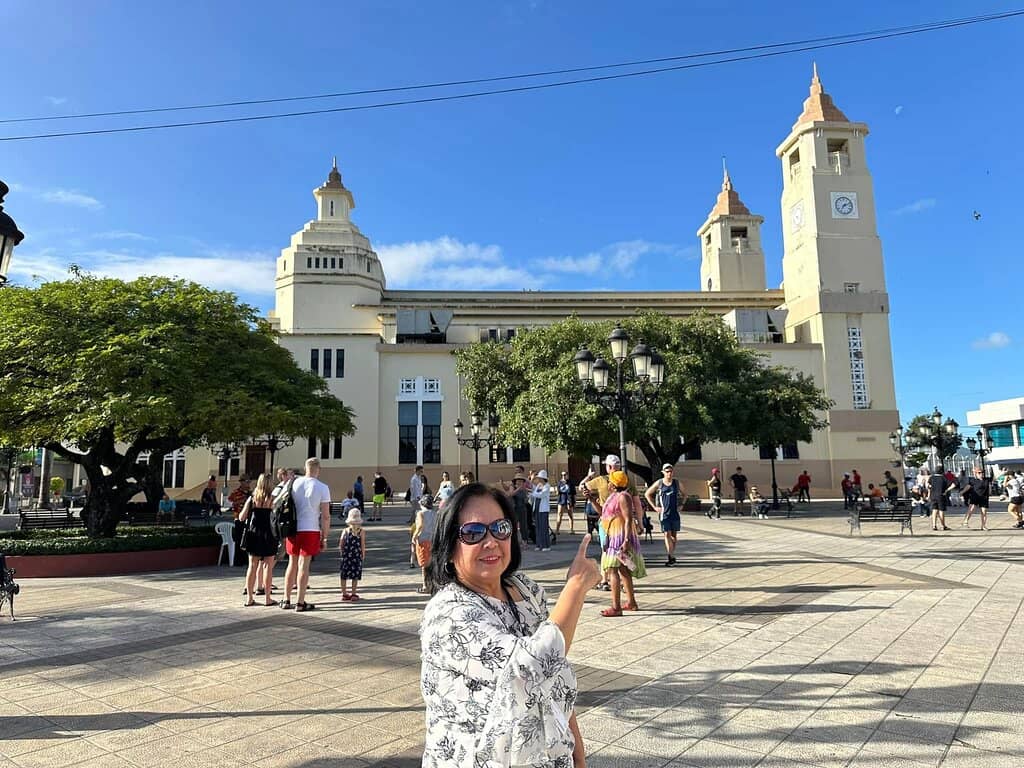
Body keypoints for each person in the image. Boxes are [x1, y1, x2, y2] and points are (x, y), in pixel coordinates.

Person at [420, 483, 599, 767]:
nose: (490, 541)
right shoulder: (448, 613)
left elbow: (554, 676)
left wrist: (575, 749)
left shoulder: (525, 589)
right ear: (450, 544)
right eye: (473, 533)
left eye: (499, 528)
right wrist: (575, 587)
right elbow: (528, 668)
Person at [282, 457, 331, 611]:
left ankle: (286, 599)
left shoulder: (294, 483)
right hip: (311, 529)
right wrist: (325, 537)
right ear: (319, 469)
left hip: (293, 528)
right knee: (304, 565)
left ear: (305, 468)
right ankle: (300, 602)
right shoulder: (322, 487)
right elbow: (325, 515)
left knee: (292, 563)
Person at [598, 470, 644, 616]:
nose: (608, 483)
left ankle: (616, 607)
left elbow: (628, 518)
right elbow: (603, 513)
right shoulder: (614, 496)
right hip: (612, 535)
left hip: (619, 537)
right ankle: (631, 603)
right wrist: (592, 500)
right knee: (624, 570)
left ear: (614, 484)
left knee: (613, 570)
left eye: (610, 481)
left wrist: (626, 540)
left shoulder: (623, 497)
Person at [239, 473, 279, 607]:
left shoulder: (253, 498)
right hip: (269, 534)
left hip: (254, 534)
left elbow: (241, 517)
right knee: (268, 566)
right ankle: (268, 598)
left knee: (252, 566)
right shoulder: (273, 499)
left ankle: (250, 598)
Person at [645, 463, 681, 566]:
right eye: (667, 471)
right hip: (664, 514)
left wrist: (682, 504)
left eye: (671, 471)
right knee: (667, 534)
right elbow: (647, 494)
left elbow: (685, 493)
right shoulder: (659, 483)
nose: (669, 473)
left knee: (674, 536)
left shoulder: (676, 483)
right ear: (663, 472)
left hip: (674, 513)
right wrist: (655, 507)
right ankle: (670, 556)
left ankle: (672, 554)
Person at [338, 508, 366, 602]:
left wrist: (342, 552)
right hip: (356, 556)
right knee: (355, 576)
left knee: (344, 575)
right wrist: (363, 554)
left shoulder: (345, 531)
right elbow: (362, 544)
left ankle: (344, 593)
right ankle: (353, 594)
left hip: (346, 556)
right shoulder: (361, 531)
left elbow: (341, 543)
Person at [412, 494, 437, 594]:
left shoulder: (420, 513)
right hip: (433, 540)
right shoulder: (435, 514)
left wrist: (414, 535)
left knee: (424, 565)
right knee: (432, 563)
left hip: (423, 540)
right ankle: (433, 585)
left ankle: (425, 586)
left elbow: (420, 526)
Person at [531, 470, 552, 551]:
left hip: (543, 509)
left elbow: (541, 495)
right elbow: (535, 493)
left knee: (544, 527)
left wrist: (533, 493)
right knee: (538, 527)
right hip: (537, 508)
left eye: (540, 478)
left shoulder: (547, 486)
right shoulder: (538, 485)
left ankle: (546, 545)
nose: (539, 480)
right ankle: (539, 544)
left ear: (543, 478)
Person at [555, 471, 575, 535]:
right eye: (562, 475)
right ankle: (557, 530)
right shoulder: (559, 483)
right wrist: (557, 491)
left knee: (570, 515)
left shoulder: (570, 483)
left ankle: (571, 529)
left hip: (569, 500)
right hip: (561, 500)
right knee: (559, 514)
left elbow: (574, 493)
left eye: (565, 475)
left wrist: (574, 501)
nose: (563, 476)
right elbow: (557, 492)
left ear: (567, 475)